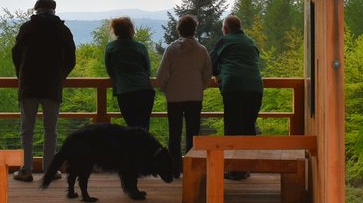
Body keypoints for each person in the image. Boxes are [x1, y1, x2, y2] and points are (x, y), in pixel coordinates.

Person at [11, 0, 76, 182]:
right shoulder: (62, 30)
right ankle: (49, 170)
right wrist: (59, 76)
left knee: (27, 130)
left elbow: (15, 55)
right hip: (52, 87)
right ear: (53, 10)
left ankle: (26, 170)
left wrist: (21, 75)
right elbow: (71, 59)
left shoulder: (26, 28)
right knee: (51, 130)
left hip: (28, 85)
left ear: (36, 9)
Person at [155, 14, 211, 178]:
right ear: (194, 30)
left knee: (174, 133)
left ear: (179, 29)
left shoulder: (171, 49)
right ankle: (192, 168)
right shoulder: (202, 50)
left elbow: (161, 76)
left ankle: (174, 170)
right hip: (195, 96)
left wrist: (167, 88)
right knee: (193, 134)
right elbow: (208, 74)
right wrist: (200, 87)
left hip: (174, 98)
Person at [209, 15, 263, 181]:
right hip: (255, 87)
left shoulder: (223, 41)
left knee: (233, 127)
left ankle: (235, 170)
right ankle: (246, 167)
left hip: (233, 86)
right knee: (248, 126)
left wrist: (218, 74)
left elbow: (211, 62)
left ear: (225, 29)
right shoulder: (250, 42)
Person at [104, 17, 155, 131]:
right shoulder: (140, 47)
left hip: (124, 90)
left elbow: (110, 71)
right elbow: (148, 70)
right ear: (131, 30)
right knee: (144, 125)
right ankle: (145, 148)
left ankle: (134, 148)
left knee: (132, 126)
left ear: (115, 31)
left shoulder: (111, 47)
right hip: (145, 89)